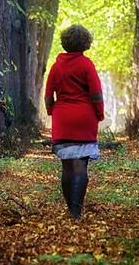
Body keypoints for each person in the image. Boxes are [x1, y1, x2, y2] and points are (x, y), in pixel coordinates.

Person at [44, 25, 104, 219]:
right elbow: (96, 94)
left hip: (62, 118)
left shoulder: (56, 66)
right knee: (80, 167)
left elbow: (48, 95)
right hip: (84, 118)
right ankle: (76, 210)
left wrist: (52, 111)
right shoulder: (87, 65)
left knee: (67, 166)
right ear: (85, 43)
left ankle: (71, 208)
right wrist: (99, 114)